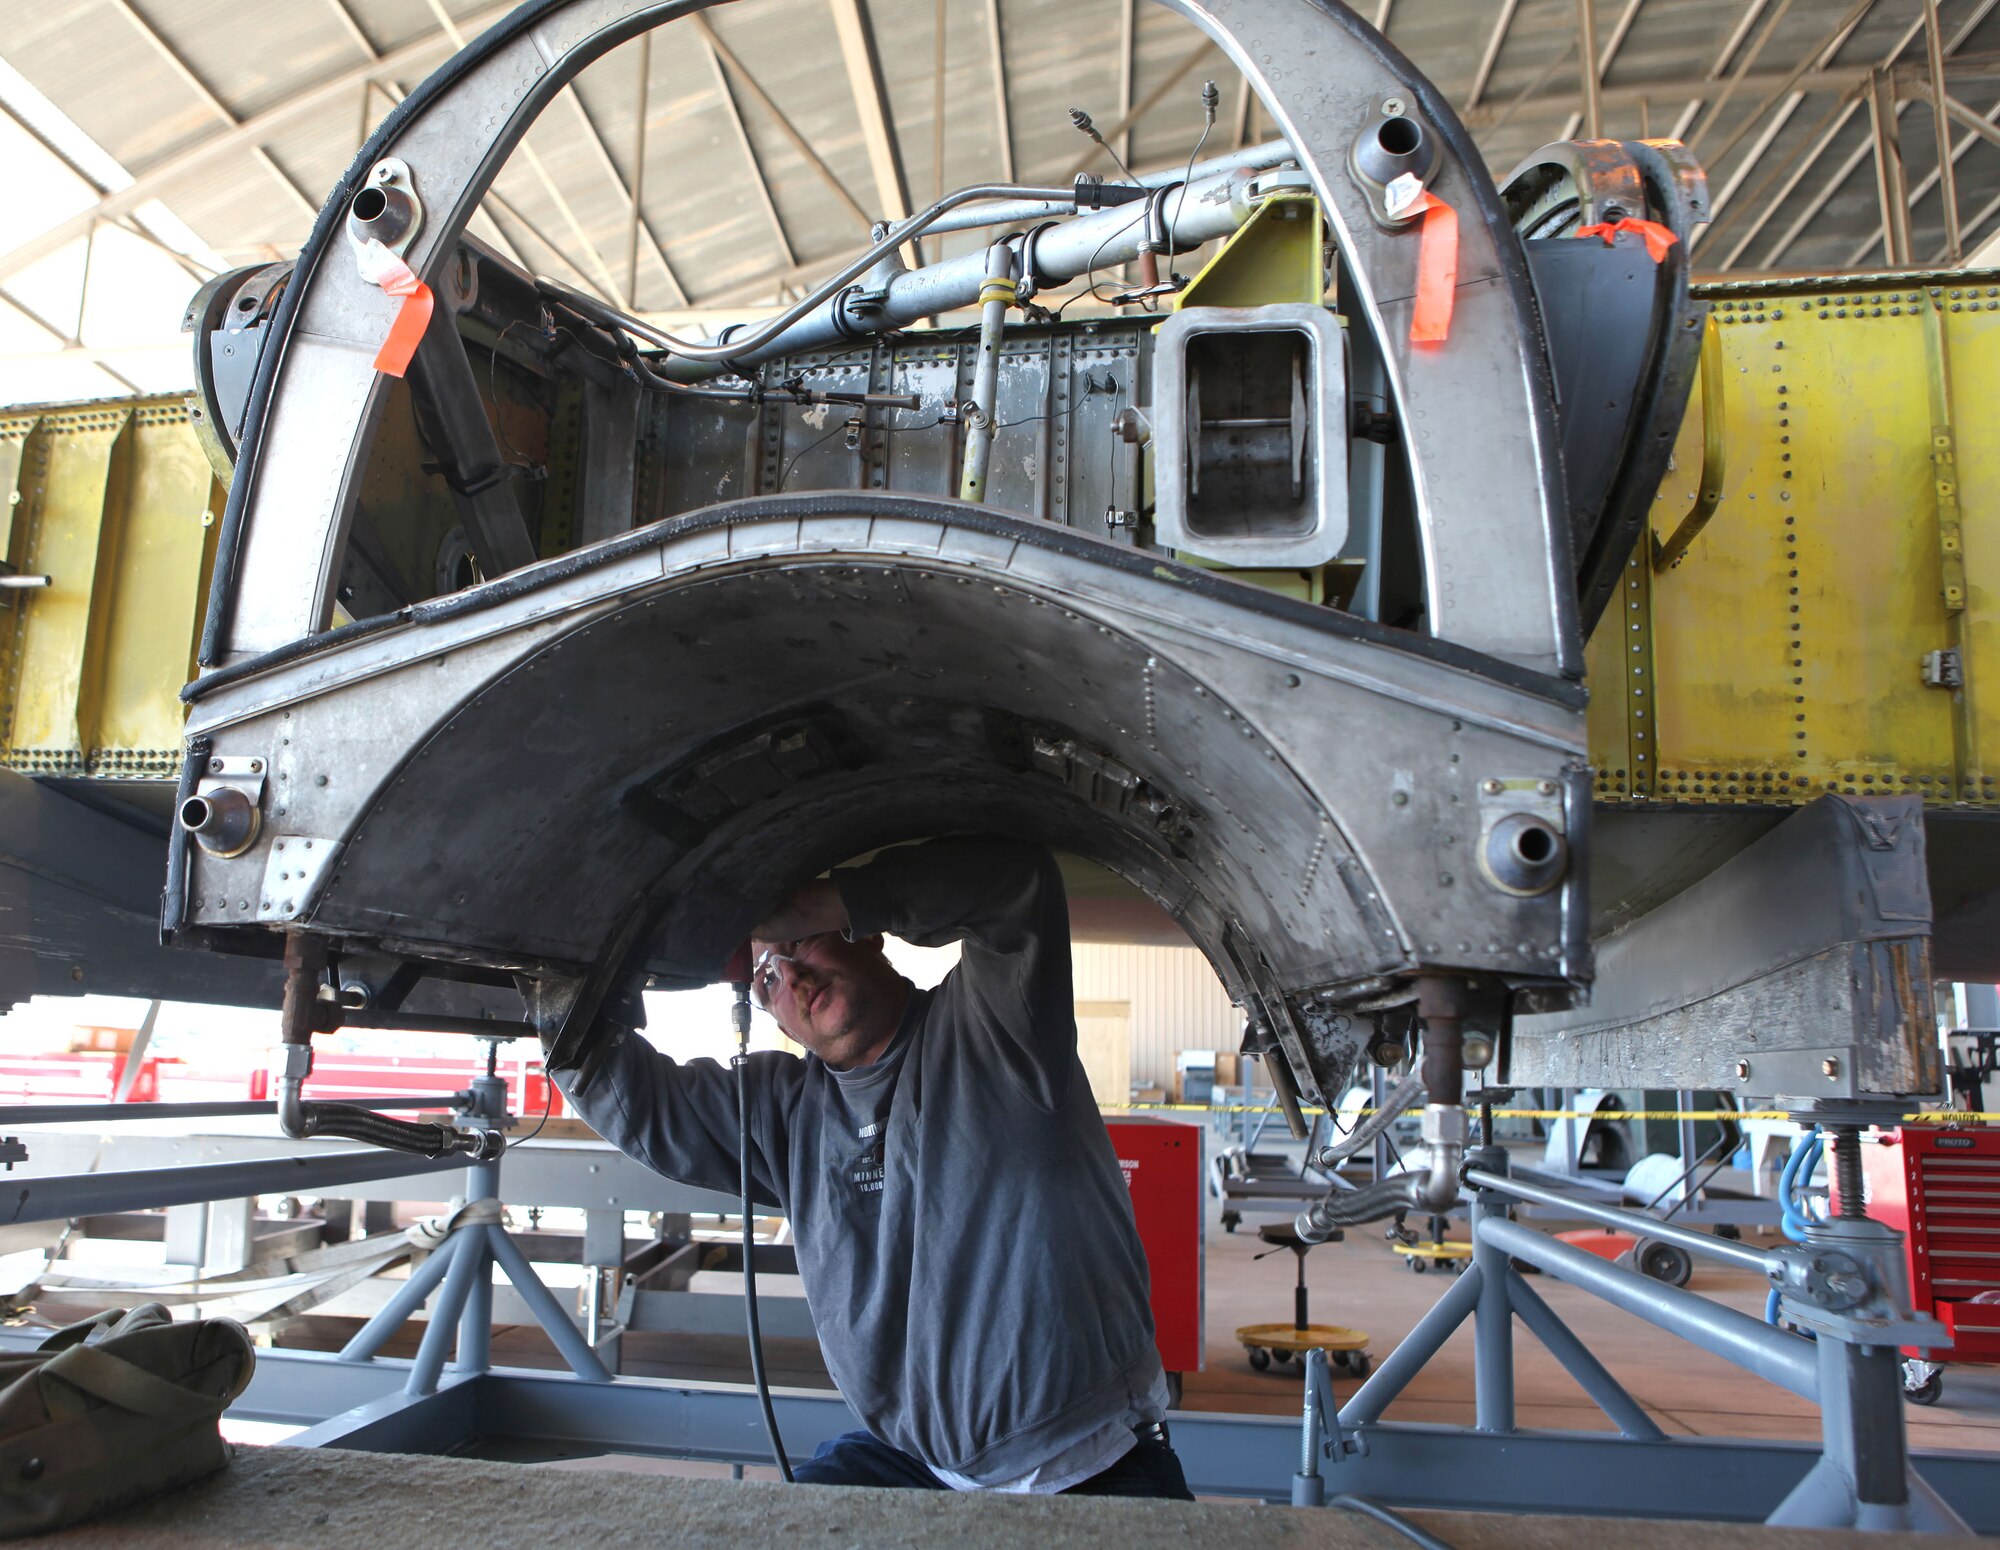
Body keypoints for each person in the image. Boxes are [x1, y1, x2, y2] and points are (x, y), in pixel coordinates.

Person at [545, 835, 1192, 1498]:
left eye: (800, 945)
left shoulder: (994, 1026)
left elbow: (1014, 882)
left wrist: (801, 907)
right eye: (768, 979)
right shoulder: (785, 1110)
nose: (791, 977)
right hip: (915, 1463)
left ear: (868, 936)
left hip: (1086, 1459)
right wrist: (567, 967)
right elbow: (634, 1101)